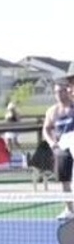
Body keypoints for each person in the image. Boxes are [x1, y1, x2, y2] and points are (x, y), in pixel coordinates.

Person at [42, 78, 74, 219]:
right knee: (64, 179)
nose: (59, 94)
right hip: (62, 146)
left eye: (62, 91)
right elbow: (46, 129)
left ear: (67, 91)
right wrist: (51, 143)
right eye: (56, 92)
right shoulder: (52, 111)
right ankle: (69, 209)